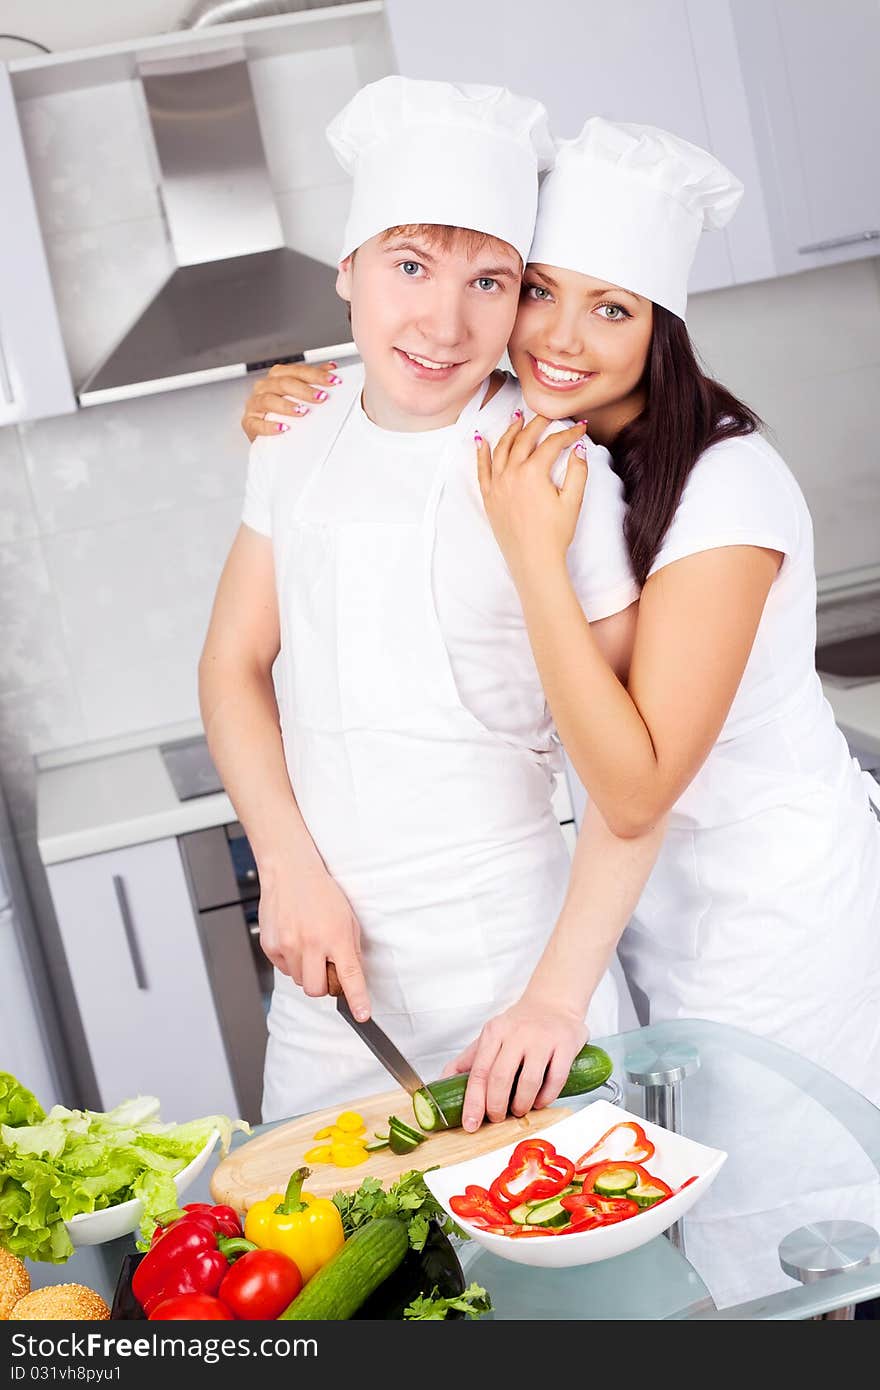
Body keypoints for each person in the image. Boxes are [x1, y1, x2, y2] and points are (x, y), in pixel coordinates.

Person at [241, 115, 880, 1116]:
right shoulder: (557, 444)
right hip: (645, 910)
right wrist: (302, 403)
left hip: (772, 914)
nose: (561, 337)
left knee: (796, 1225)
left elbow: (634, 786)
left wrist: (534, 556)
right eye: (539, 291)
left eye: (612, 308)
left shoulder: (721, 492)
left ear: (660, 326)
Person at [200, 80, 662, 1126]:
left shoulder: (553, 469)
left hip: (512, 977)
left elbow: (633, 783)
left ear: (519, 301)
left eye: (489, 282)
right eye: (409, 266)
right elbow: (232, 663)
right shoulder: (297, 429)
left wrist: (554, 996)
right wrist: (286, 867)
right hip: (327, 981)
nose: (444, 323)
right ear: (348, 271)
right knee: (323, 1272)